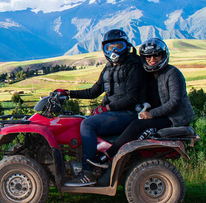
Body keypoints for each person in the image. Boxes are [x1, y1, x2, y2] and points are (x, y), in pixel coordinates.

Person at [55, 29, 145, 186]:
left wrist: (107, 108)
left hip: (127, 114)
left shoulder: (133, 66)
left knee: (88, 124)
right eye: (110, 47)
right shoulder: (109, 68)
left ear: (127, 47)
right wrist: (68, 93)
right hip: (115, 112)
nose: (114, 51)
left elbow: (132, 98)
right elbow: (93, 91)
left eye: (119, 46)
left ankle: (88, 172)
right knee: (78, 121)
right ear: (104, 49)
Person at [87, 38, 195, 169]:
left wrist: (151, 114)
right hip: (161, 115)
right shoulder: (149, 75)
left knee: (137, 126)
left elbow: (175, 102)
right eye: (148, 56)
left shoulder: (172, 73)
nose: (152, 59)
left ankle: (106, 156)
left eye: (156, 55)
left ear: (163, 55)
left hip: (175, 117)